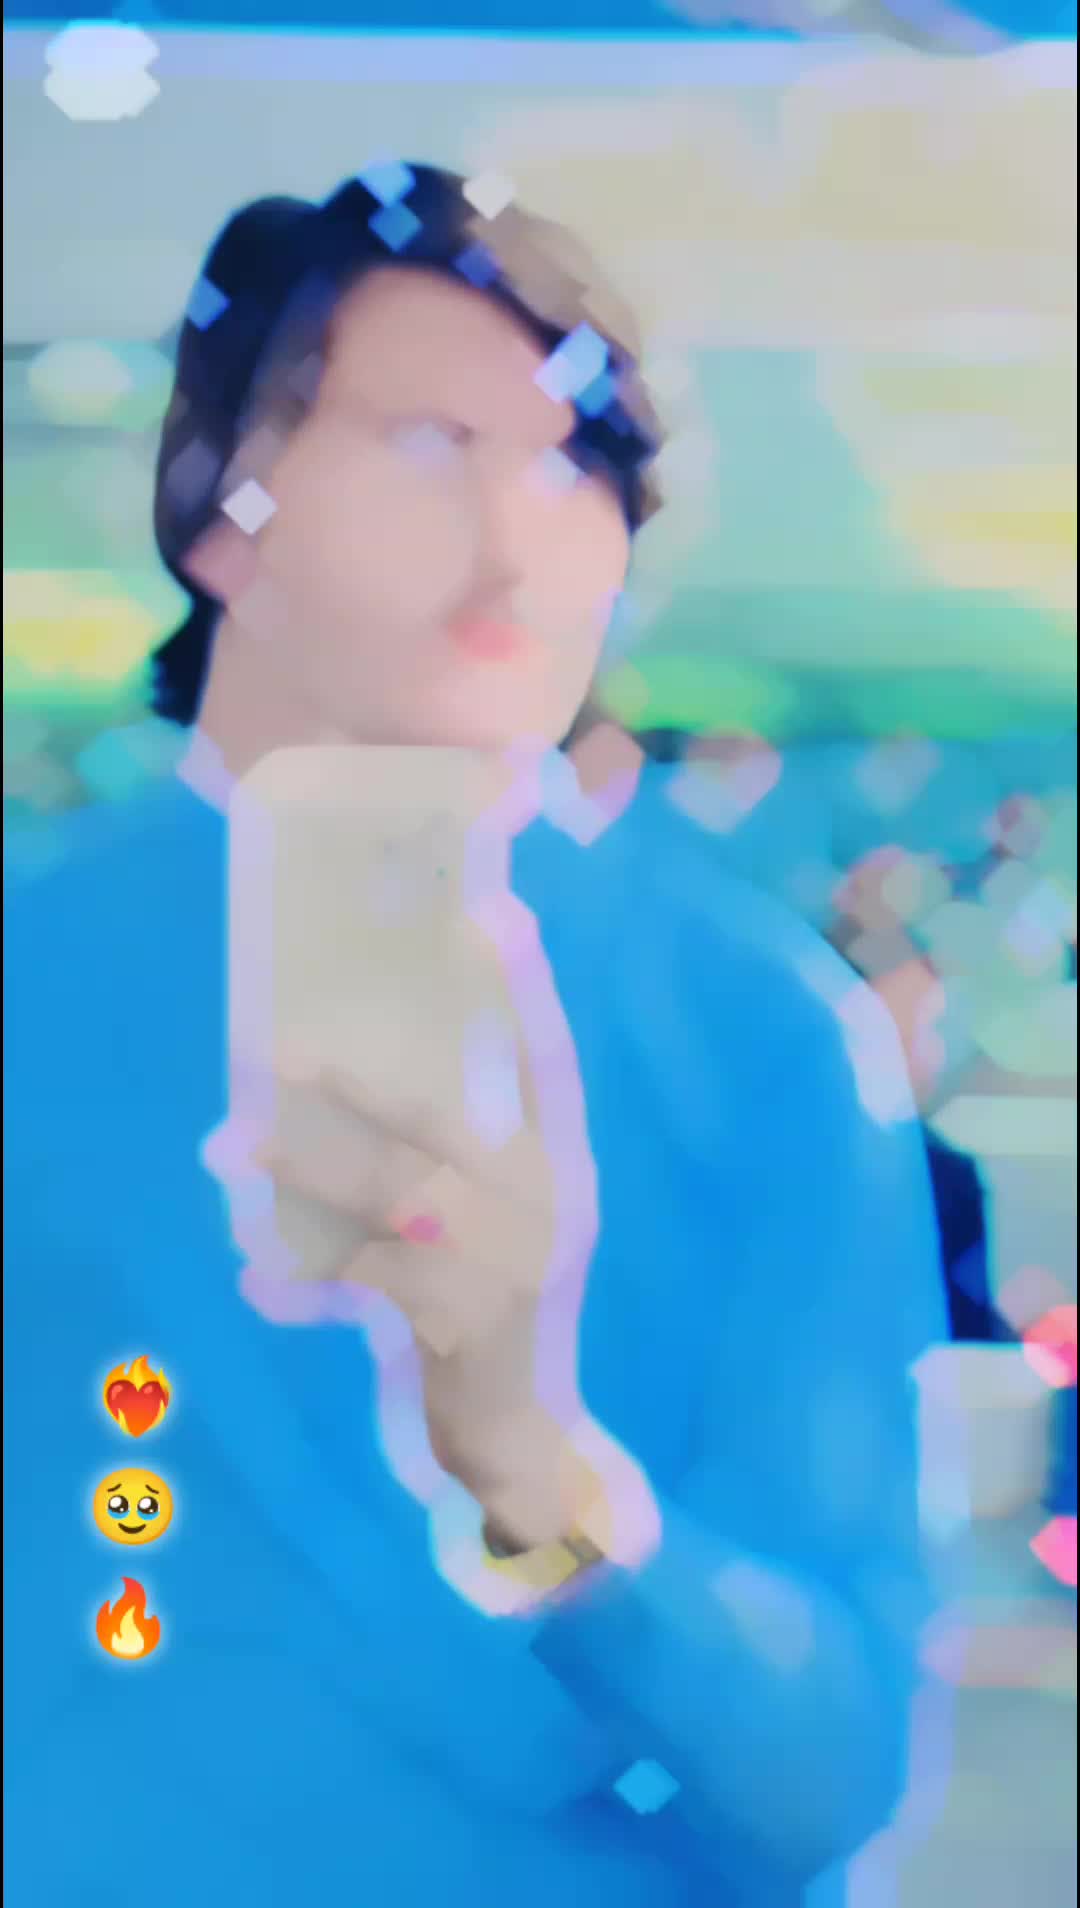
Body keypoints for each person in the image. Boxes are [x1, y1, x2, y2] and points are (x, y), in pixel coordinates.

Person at [4, 166, 950, 1908]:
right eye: (429, 441)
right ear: (217, 507)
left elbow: (832, 1774)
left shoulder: (768, 1040)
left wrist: (528, 1454)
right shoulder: (37, 976)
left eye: (581, 461)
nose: (522, 533)